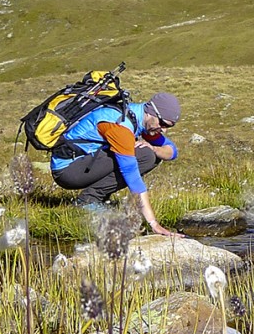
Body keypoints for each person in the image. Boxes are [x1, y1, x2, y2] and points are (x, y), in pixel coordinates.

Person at [50, 91, 185, 237]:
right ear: (151, 112)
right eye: (163, 123)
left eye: (168, 127)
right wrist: (154, 224)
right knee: (145, 155)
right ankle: (88, 200)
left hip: (83, 163)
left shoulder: (139, 118)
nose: (163, 129)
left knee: (150, 154)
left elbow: (172, 151)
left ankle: (96, 198)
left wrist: (154, 147)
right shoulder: (120, 126)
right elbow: (132, 176)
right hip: (68, 171)